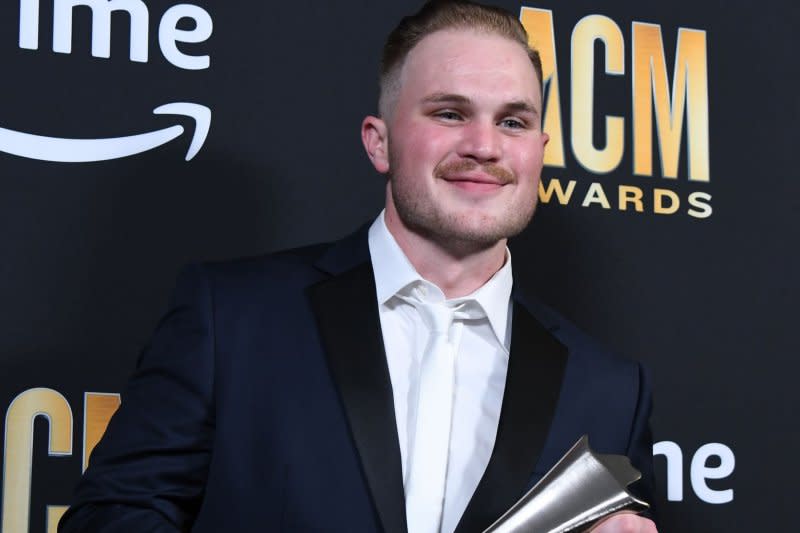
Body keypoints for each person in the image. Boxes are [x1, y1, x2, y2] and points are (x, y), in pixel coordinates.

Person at [59, 1, 656, 532]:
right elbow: (111, 516)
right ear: (379, 142)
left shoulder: (608, 389)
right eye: (450, 113)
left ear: (539, 153)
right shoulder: (231, 317)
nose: (485, 145)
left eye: (513, 121)